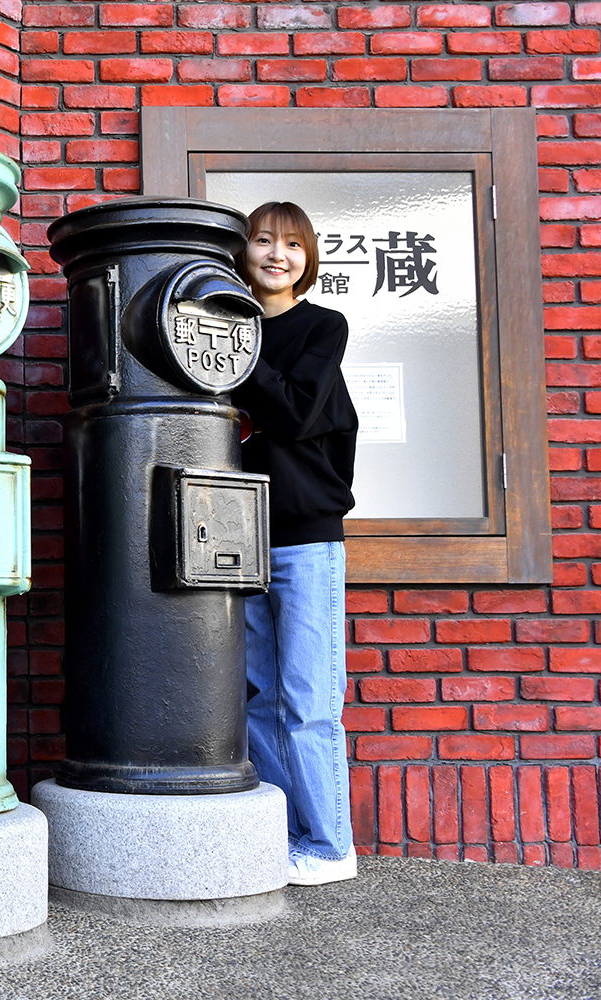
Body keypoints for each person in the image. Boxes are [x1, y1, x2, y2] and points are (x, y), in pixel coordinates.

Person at [230, 202, 359, 886]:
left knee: (309, 700)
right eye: (261, 240)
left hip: (307, 540)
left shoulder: (322, 326)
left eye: (289, 244)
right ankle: (283, 835)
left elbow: (296, 407)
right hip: (240, 537)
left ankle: (331, 845)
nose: (276, 253)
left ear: (306, 257)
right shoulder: (229, 322)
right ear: (242, 252)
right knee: (257, 697)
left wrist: (232, 355)